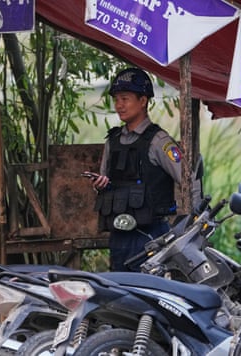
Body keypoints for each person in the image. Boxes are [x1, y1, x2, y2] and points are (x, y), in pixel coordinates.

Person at [85, 67, 202, 271]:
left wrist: (195, 225)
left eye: (125, 98)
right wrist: (100, 185)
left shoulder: (158, 141)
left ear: (143, 101)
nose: (119, 105)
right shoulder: (112, 141)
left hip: (153, 236)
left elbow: (188, 180)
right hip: (119, 235)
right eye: (116, 99)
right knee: (121, 294)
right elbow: (106, 182)